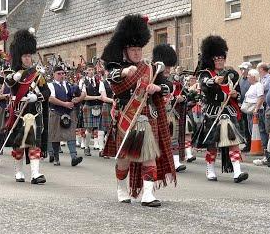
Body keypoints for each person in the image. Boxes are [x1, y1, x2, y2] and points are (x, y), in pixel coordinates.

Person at [101, 15, 176, 207]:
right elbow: (113, 79)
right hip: (127, 117)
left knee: (149, 155)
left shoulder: (149, 68)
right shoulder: (119, 68)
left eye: (139, 49)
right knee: (124, 158)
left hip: (147, 117)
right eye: (133, 49)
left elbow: (168, 86)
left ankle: (148, 194)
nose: (136, 53)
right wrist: (126, 72)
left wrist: (157, 88)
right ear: (125, 51)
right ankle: (121, 189)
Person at [192, 35, 248, 183]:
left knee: (233, 142)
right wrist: (214, 81)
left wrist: (236, 94)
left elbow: (239, 95)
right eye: (216, 59)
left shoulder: (232, 75)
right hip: (213, 112)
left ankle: (237, 171)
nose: (219, 61)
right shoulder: (206, 74)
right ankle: (210, 168)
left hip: (228, 112)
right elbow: (205, 84)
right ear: (211, 59)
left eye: (221, 58)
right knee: (212, 144)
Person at [3, 28, 51, 184]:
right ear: (20, 57)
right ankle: (18, 171)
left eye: (29, 56)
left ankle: (35, 174)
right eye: (25, 56)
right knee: (19, 145)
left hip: (34, 112)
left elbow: (47, 92)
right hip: (19, 113)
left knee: (33, 143)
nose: (28, 59)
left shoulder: (37, 75)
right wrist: (15, 76)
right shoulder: (14, 73)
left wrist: (36, 96)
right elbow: (9, 82)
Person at [152, 44, 187, 173]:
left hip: (171, 112)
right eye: (166, 66)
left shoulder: (174, 80)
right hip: (155, 113)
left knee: (173, 138)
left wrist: (181, 98)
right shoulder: (152, 77)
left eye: (169, 67)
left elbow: (183, 94)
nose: (167, 69)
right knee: (156, 139)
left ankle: (176, 162)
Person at [47, 65, 83, 166]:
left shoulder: (68, 85)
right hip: (56, 112)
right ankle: (56, 158)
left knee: (71, 134)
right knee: (55, 136)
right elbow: (51, 99)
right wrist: (65, 104)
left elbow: (79, 95)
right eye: (59, 74)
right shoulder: (51, 85)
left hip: (68, 112)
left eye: (63, 73)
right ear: (54, 74)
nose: (62, 75)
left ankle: (74, 157)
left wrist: (77, 99)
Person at [78, 63, 104, 156]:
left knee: (101, 128)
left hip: (99, 106)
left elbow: (102, 94)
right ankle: (86, 147)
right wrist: (97, 97)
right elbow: (84, 97)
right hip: (88, 106)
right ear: (86, 71)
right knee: (89, 128)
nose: (91, 71)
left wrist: (99, 97)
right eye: (89, 70)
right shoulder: (82, 81)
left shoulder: (99, 81)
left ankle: (101, 149)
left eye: (92, 69)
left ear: (94, 70)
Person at [238, 62, 253, 152]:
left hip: (250, 105)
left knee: (251, 125)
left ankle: (252, 143)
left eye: (243, 69)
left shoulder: (250, 79)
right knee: (245, 125)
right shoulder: (241, 79)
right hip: (243, 105)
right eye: (241, 69)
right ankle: (248, 143)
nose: (242, 71)